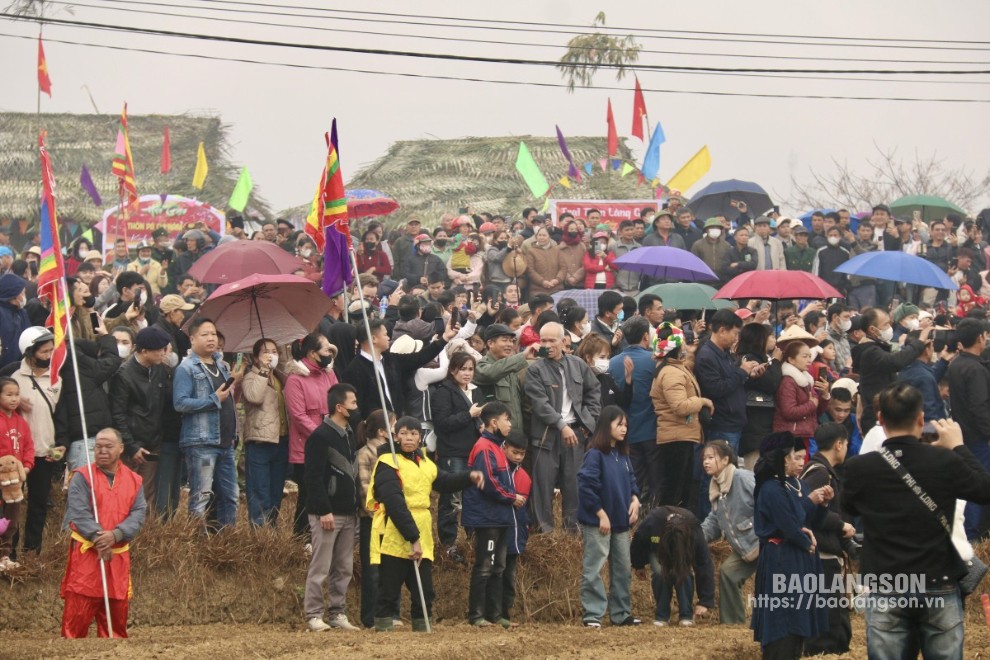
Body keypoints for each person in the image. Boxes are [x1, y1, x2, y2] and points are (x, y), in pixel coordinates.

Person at [843, 383, 990, 659]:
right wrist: (958, 446)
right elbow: (984, 489)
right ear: (921, 419)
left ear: (880, 420)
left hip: (886, 580)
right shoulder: (944, 462)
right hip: (938, 578)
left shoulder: (859, 468)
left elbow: (849, 506)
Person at [366, 416, 483, 632]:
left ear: (420, 437)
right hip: (395, 530)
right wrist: (413, 537)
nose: (408, 438)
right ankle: (382, 630)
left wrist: (469, 477)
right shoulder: (387, 463)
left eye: (413, 433)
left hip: (422, 527)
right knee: (389, 589)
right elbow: (394, 502)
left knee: (424, 590)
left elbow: (444, 481)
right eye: (403, 433)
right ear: (395, 436)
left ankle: (422, 627)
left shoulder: (426, 463)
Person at [750, 432, 833, 659]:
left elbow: (810, 522)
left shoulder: (798, 485)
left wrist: (823, 505)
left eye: (801, 457)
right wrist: (809, 503)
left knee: (799, 619)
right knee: (783, 616)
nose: (799, 462)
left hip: (801, 558)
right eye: (794, 457)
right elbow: (789, 523)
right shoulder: (770, 488)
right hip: (781, 559)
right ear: (781, 458)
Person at [60, 428, 147, 638]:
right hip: (88, 552)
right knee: (79, 607)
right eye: (98, 446)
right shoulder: (81, 476)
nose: (102, 451)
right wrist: (100, 538)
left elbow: (139, 512)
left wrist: (115, 535)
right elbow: (78, 512)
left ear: (121, 448)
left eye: (108, 446)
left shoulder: (135, 480)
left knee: (116, 612)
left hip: (117, 554)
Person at [525, 322, 601, 533]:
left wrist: (588, 422)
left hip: (575, 433)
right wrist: (561, 425)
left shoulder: (577, 364)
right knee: (543, 486)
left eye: (552, 340)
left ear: (564, 341)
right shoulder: (535, 370)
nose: (547, 345)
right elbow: (540, 404)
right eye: (543, 340)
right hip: (546, 436)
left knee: (574, 485)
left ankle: (573, 532)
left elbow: (594, 391)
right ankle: (544, 534)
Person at [172, 318, 244, 532]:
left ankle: (226, 543)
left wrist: (234, 382)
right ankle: (197, 545)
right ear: (192, 339)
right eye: (205, 334)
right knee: (200, 497)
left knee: (231, 496)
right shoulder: (186, 368)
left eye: (213, 333)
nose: (211, 338)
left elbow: (228, 400)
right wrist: (213, 400)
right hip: (201, 441)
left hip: (225, 441)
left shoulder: (222, 366)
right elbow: (180, 403)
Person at [302, 384, 361, 632]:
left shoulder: (349, 434)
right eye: (353, 403)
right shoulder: (319, 437)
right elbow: (312, 478)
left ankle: (337, 612)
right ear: (340, 407)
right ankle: (314, 614)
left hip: (349, 513)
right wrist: (323, 509)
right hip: (327, 514)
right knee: (321, 566)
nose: (357, 407)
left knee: (344, 567)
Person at [577, 405, 641, 628]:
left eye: (625, 425)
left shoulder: (623, 455)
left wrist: (635, 499)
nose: (624, 429)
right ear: (607, 426)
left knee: (623, 569)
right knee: (594, 568)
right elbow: (586, 486)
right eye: (619, 425)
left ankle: (621, 613)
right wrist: (600, 514)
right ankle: (593, 615)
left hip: (621, 523)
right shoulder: (595, 454)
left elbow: (632, 481)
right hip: (598, 523)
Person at [462, 401, 521, 626]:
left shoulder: (497, 445)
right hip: (487, 517)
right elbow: (488, 483)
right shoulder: (485, 447)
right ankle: (477, 615)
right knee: (485, 566)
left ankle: (495, 615)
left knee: (498, 567)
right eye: (507, 419)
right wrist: (511, 497)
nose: (510, 424)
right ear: (494, 423)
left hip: (499, 516)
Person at [799, 422, 855, 656]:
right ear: (839, 444)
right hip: (821, 555)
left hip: (824, 553)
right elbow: (807, 510)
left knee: (837, 614)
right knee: (831, 618)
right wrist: (840, 524)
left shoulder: (818, 470)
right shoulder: (820, 473)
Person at [108, 327, 174, 513]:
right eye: (159, 349)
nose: (164, 352)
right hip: (132, 445)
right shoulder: (124, 375)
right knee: (125, 490)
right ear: (143, 351)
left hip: (153, 441)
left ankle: (146, 534)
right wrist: (131, 446)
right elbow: (118, 414)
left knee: (148, 491)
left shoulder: (161, 369)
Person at [650, 323, 712, 509]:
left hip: (681, 434)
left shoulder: (674, 367)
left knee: (680, 487)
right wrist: (703, 402)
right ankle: (667, 527)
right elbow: (679, 406)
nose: (686, 344)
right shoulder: (670, 372)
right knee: (674, 489)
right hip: (675, 437)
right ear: (677, 346)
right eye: (683, 341)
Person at [341, 318, 451, 422]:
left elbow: (419, 358)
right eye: (385, 335)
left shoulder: (391, 360)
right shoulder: (353, 371)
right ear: (373, 338)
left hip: (398, 425)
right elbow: (355, 409)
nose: (388, 337)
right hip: (375, 432)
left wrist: (445, 338)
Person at [430, 352, 484, 562]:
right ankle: (448, 544)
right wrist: (468, 415)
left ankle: (472, 540)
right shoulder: (443, 392)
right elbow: (442, 423)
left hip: (474, 450)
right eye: (463, 369)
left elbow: (480, 417)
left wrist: (480, 425)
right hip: (453, 452)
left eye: (470, 369)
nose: (467, 373)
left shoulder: (476, 391)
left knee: (473, 497)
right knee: (451, 500)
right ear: (453, 370)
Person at [284, 333, 338, 540]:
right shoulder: (295, 379)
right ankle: (301, 537)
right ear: (313, 353)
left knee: (327, 491)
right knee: (308, 495)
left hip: (330, 442)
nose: (329, 353)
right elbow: (298, 416)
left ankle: (321, 536)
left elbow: (337, 400)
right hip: (307, 446)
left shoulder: (328, 374)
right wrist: (322, 435)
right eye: (326, 350)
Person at [699, 440, 758, 624]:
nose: (706, 462)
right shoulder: (715, 486)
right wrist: (695, 536)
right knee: (728, 572)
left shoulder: (743, 477)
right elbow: (714, 521)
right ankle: (732, 625)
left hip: (764, 541)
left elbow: (767, 498)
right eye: (704, 458)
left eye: (711, 457)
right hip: (745, 549)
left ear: (725, 460)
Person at [694, 309, 766, 455]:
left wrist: (749, 374)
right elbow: (717, 388)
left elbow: (731, 379)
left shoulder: (725, 353)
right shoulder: (706, 356)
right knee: (720, 470)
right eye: (735, 333)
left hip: (733, 422)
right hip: (722, 424)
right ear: (722, 331)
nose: (736, 338)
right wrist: (742, 371)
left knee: (729, 472)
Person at [631, 505, 714, 627]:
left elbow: (704, 563)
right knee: (660, 573)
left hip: (684, 550)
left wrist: (705, 601)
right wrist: (638, 565)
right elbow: (638, 541)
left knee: (683, 573)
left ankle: (686, 615)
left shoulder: (694, 530)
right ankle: (662, 615)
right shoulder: (653, 522)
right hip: (658, 549)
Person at [945, 317, 990, 540]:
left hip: (963, 434)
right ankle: (972, 537)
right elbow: (980, 407)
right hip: (979, 438)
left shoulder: (958, 363)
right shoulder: (974, 369)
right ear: (980, 337)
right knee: (979, 485)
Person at [609, 316, 660, 508]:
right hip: (652, 428)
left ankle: (633, 512)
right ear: (646, 336)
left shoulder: (613, 363)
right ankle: (654, 514)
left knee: (634, 477)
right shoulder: (654, 360)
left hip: (627, 430)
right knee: (656, 478)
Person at [851, 308, 929, 433]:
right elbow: (896, 362)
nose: (889, 327)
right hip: (876, 417)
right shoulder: (871, 352)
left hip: (883, 412)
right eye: (885, 324)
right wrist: (919, 343)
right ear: (872, 329)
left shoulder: (876, 348)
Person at [240, 338, 290, 528]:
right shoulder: (251, 377)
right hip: (260, 441)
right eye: (265, 352)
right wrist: (263, 370)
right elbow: (254, 396)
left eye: (274, 351)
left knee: (276, 490)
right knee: (259, 491)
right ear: (255, 357)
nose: (271, 355)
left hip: (281, 440)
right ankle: (259, 533)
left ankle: (272, 528)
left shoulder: (279, 377)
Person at [355, 409, 397, 629]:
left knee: (392, 568)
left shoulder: (393, 454)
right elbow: (364, 490)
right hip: (372, 520)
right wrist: (381, 512)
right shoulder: (365, 454)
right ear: (382, 431)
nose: (397, 430)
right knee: (373, 571)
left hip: (392, 519)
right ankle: (370, 617)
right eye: (394, 425)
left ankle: (390, 614)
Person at [473, 323, 537, 432]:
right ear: (490, 343)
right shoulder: (481, 366)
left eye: (511, 341)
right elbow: (490, 373)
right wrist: (523, 356)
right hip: (495, 435)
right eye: (505, 340)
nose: (509, 344)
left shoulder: (511, 368)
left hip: (515, 433)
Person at [773, 341, 830, 453]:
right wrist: (811, 404)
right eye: (804, 356)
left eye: (810, 356)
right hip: (791, 436)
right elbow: (789, 411)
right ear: (791, 359)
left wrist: (824, 394)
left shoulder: (806, 380)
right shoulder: (788, 381)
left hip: (806, 433)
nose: (809, 360)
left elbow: (816, 411)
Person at [0, 377, 33, 569]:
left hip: (15, 483)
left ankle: (5, 556)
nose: (14, 399)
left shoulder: (21, 422)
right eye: (9, 394)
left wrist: (27, 466)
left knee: (11, 519)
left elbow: (28, 446)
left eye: (17, 394)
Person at [500, 430, 531, 626]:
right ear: (504, 447)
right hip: (498, 531)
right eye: (514, 452)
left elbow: (521, 508)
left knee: (508, 577)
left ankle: (505, 613)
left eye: (522, 454)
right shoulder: (497, 470)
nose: (518, 457)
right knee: (495, 574)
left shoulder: (524, 477)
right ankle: (492, 613)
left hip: (515, 534)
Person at [577, 333, 632, 410]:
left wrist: (628, 380)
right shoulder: (579, 381)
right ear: (588, 358)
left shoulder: (607, 379)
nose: (606, 361)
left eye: (607, 357)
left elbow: (623, 401)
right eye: (602, 357)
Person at [0, 273, 30, 369]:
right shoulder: (2, 313)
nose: (25, 296)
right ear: (15, 296)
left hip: (21, 367)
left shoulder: (22, 312)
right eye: (23, 293)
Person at [588, 290, 625, 356]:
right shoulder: (592, 331)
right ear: (607, 313)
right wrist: (613, 345)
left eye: (622, 308)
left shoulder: (623, 326)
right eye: (619, 309)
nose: (622, 312)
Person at [612, 221, 641, 296]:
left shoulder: (639, 247)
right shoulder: (613, 247)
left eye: (632, 229)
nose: (630, 232)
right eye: (627, 230)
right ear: (621, 232)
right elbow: (611, 267)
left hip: (635, 289)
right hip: (618, 289)